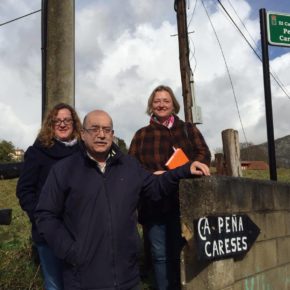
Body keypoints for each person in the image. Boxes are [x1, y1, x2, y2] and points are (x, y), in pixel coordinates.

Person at [34, 109, 210, 290]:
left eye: (106, 129)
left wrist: (185, 169)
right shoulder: (64, 170)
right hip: (84, 280)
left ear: (113, 134)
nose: (101, 134)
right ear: (82, 134)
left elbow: (155, 186)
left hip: (128, 278)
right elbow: (45, 215)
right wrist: (71, 251)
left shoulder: (129, 166)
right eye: (94, 129)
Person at [128, 85, 211, 290]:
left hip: (183, 203)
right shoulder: (141, 135)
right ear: (151, 106)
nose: (161, 104)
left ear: (174, 105)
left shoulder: (188, 129)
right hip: (153, 204)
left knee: (185, 252)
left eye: (166, 100)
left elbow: (204, 155)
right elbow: (130, 168)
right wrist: (151, 177)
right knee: (159, 255)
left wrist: (184, 170)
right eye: (157, 101)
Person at [16, 103, 82, 290]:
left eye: (67, 120)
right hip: (49, 232)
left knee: (80, 282)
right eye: (57, 121)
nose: (62, 124)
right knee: (54, 284)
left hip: (79, 230)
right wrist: (40, 219)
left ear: (74, 124)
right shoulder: (37, 152)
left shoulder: (84, 151)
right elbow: (25, 190)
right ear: (50, 124)